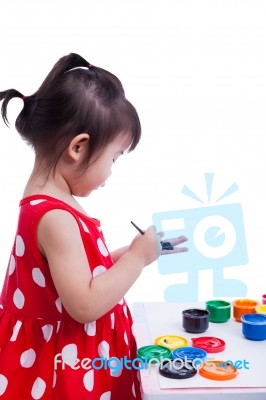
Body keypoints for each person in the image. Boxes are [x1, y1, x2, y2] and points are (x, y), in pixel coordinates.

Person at [0, 53, 188, 400]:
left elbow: (78, 275)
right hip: (68, 370)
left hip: (69, 359)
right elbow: (83, 304)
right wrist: (136, 261)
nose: (112, 172)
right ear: (78, 147)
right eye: (114, 158)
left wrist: (133, 252)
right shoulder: (54, 216)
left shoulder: (50, 202)